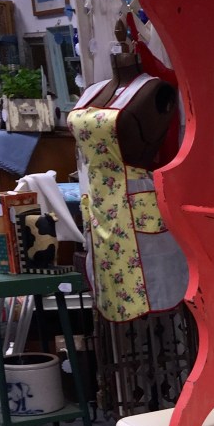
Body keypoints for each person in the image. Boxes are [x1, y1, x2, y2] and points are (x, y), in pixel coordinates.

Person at [67, 51, 188, 323]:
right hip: (100, 208)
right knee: (110, 287)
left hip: (135, 206)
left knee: (147, 288)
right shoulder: (93, 91)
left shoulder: (154, 90)